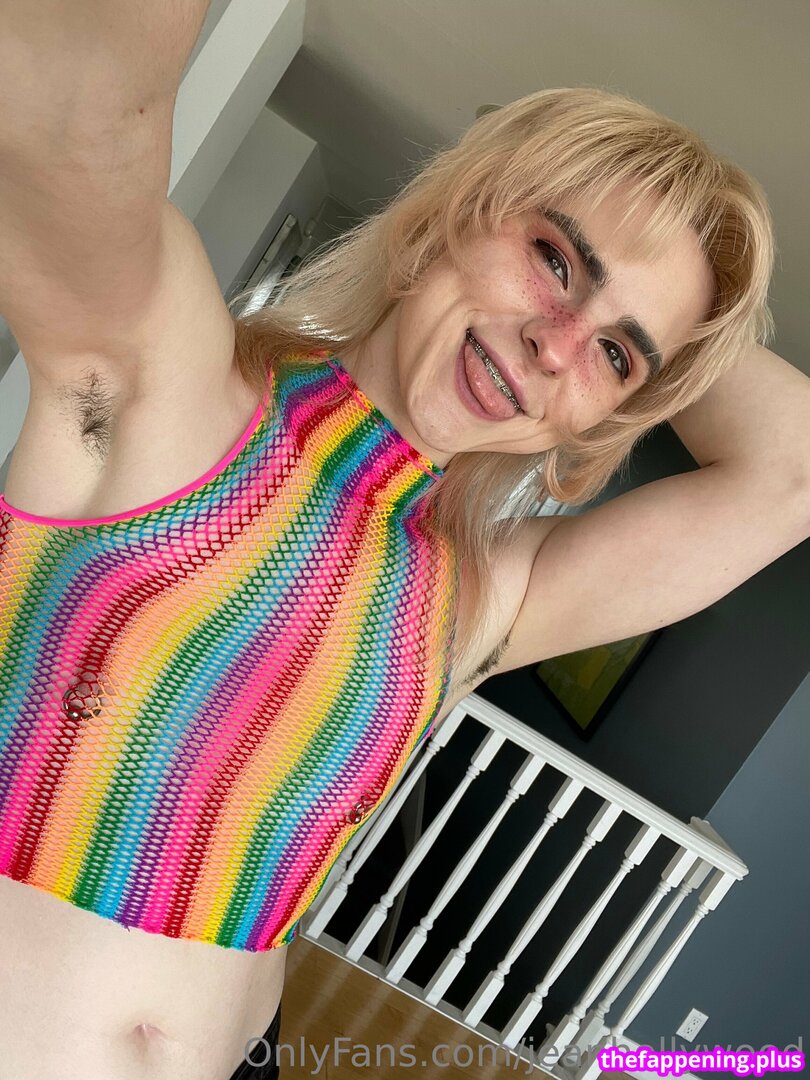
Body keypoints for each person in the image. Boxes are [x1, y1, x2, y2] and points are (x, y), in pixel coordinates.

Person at [1, 5, 809, 1080]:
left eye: (617, 356)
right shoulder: (167, 380)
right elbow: (71, 101)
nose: (556, 346)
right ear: (453, 213)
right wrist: (531, 182)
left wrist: (675, 288)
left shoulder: (481, 597)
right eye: (554, 260)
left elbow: (791, 474)